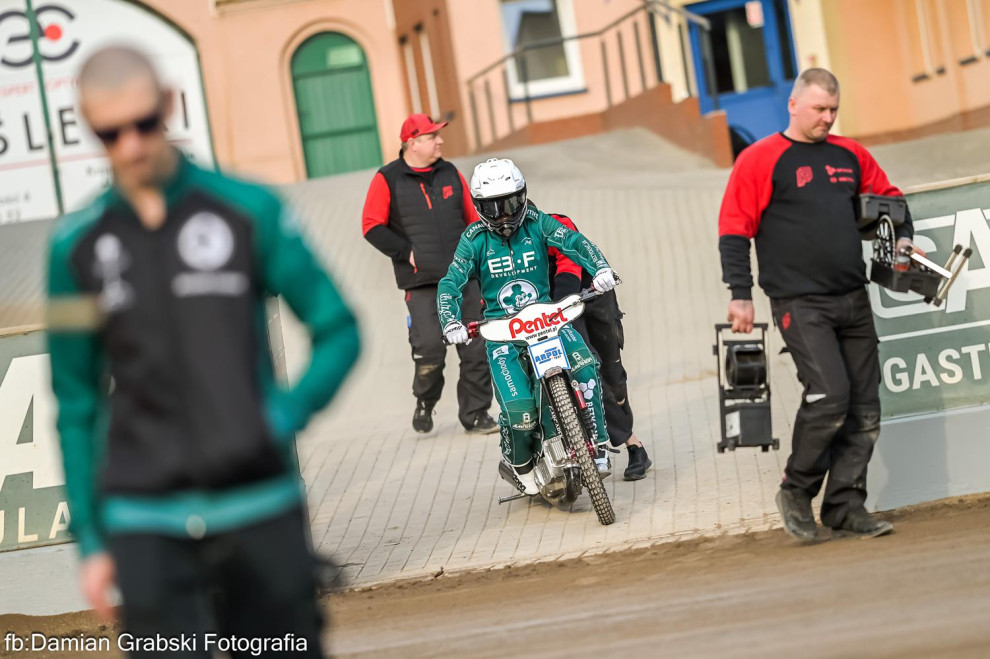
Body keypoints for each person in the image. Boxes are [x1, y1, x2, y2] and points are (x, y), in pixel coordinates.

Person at [46, 46, 359, 656]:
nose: (131, 146)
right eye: (109, 133)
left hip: (259, 505)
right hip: (143, 523)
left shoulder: (249, 209)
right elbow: (75, 401)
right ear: (88, 128)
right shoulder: (73, 247)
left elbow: (339, 329)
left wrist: (282, 415)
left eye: (144, 123)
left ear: (168, 105)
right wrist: (92, 541)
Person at [718, 68, 918, 543]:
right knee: (829, 397)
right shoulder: (760, 158)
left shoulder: (851, 154)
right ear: (793, 105)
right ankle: (796, 490)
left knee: (865, 408)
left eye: (833, 110)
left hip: (853, 297)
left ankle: (846, 505)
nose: (827, 118)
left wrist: (903, 238)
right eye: (819, 109)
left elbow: (891, 202)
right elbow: (733, 229)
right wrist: (740, 295)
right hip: (799, 302)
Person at [437, 158, 619, 495]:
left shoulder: (537, 222)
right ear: (478, 207)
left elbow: (574, 242)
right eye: (492, 208)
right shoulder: (473, 239)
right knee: (520, 412)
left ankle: (598, 444)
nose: (503, 216)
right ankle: (518, 463)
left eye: (510, 204)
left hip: (548, 320)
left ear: (523, 196)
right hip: (503, 333)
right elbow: (451, 283)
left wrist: (601, 268)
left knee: (586, 367)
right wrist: (451, 321)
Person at [362, 114, 497, 435]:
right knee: (430, 352)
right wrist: (408, 253)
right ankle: (425, 400)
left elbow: (472, 218)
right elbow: (371, 226)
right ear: (412, 143)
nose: (440, 141)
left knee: (476, 350)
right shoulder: (387, 178)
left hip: (464, 279)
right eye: (432, 136)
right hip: (421, 283)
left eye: (438, 135)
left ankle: (476, 414)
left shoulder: (450, 172)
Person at [546, 212, 652, 481]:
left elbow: (568, 265)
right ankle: (634, 444)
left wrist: (558, 307)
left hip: (593, 293)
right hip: (560, 308)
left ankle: (621, 411)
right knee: (587, 369)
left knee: (613, 377)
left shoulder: (555, 224)